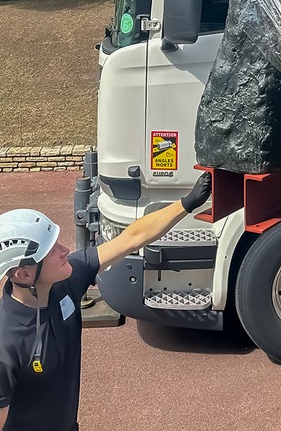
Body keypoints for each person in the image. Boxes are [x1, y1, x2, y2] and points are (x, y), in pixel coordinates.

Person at [0, 171, 212, 431]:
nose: (66, 250)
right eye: (52, 250)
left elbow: (132, 237)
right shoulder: (5, 343)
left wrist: (187, 203)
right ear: (24, 274)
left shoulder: (64, 282)